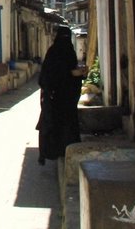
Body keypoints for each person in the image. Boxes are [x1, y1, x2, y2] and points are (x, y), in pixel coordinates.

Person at [36, 25, 87, 165]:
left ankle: (54, 151)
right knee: (57, 123)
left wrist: (77, 74)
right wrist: (71, 74)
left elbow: (48, 76)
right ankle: (51, 151)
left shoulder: (54, 52)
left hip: (56, 97)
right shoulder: (64, 52)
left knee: (54, 123)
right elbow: (54, 74)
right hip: (58, 97)